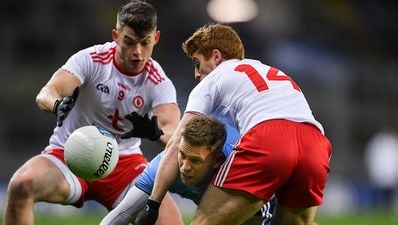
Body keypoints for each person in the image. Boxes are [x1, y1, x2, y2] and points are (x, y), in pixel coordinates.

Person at [3, 1, 184, 225]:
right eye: (129, 42)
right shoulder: (91, 60)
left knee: (170, 222)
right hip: (70, 153)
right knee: (21, 185)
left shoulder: (159, 82)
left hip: (124, 164)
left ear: (155, 38)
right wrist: (56, 105)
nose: (137, 52)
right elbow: (47, 92)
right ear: (116, 35)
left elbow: (174, 135)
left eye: (144, 43)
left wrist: (155, 133)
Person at [137, 23, 332, 225]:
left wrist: (153, 204)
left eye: (197, 62)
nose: (196, 73)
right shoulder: (272, 71)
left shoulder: (212, 80)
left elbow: (178, 143)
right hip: (314, 143)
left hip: (270, 137)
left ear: (215, 56)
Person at [100, 115, 275, 225]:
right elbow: (122, 214)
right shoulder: (164, 165)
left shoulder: (239, 169)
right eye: (182, 155)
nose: (184, 167)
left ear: (217, 161)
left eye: (195, 161)